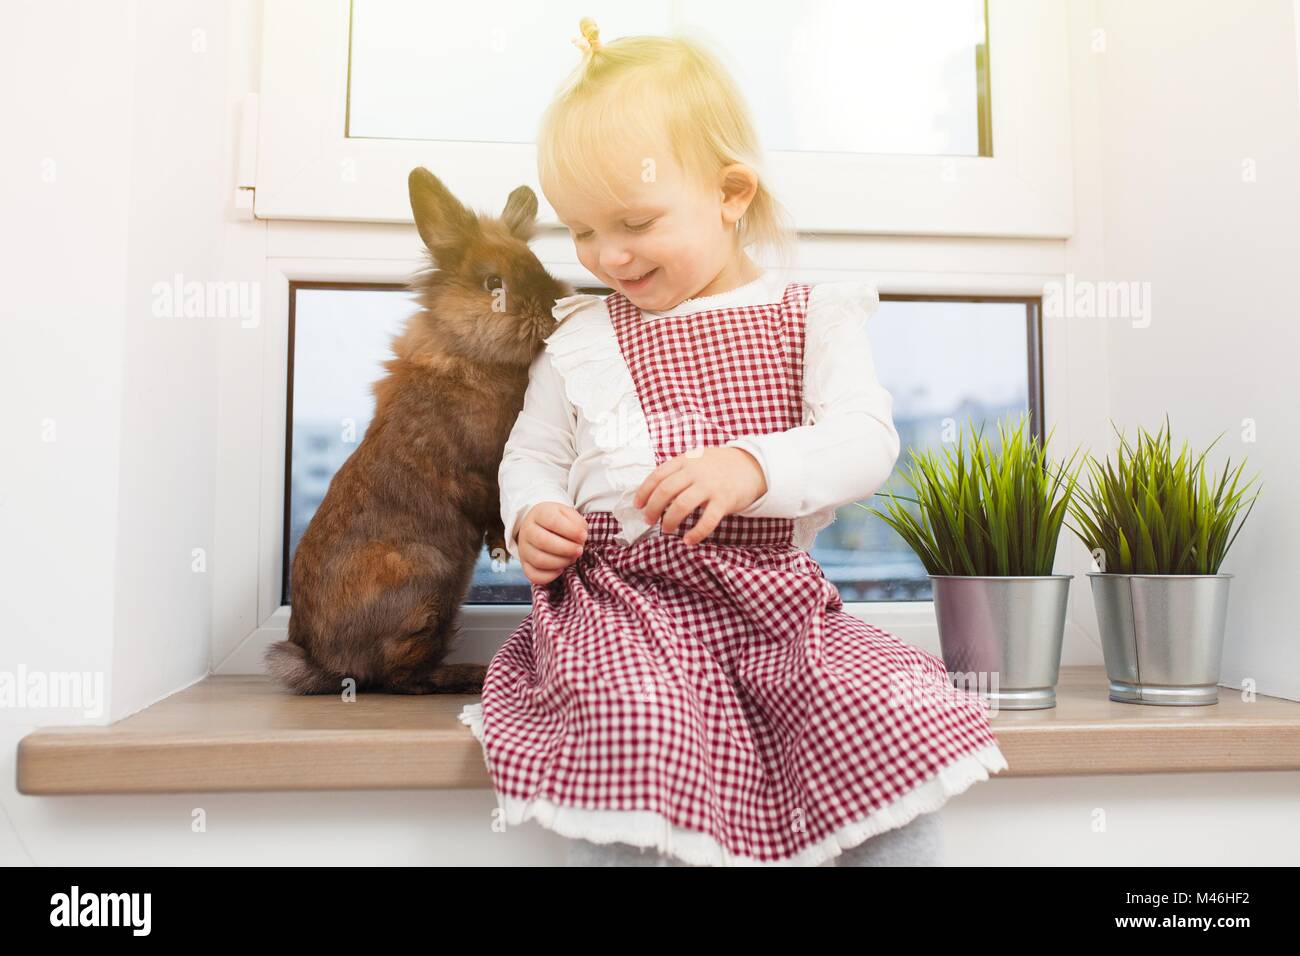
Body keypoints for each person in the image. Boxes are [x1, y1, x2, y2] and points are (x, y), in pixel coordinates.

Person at [459, 16, 1008, 867]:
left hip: (774, 609)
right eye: (581, 230)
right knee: (633, 720)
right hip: (625, 615)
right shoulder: (581, 341)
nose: (607, 254)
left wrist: (756, 465)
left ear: (731, 193)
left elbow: (865, 441)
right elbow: (532, 452)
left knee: (886, 706)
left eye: (634, 222)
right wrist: (534, 511)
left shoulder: (811, 315)